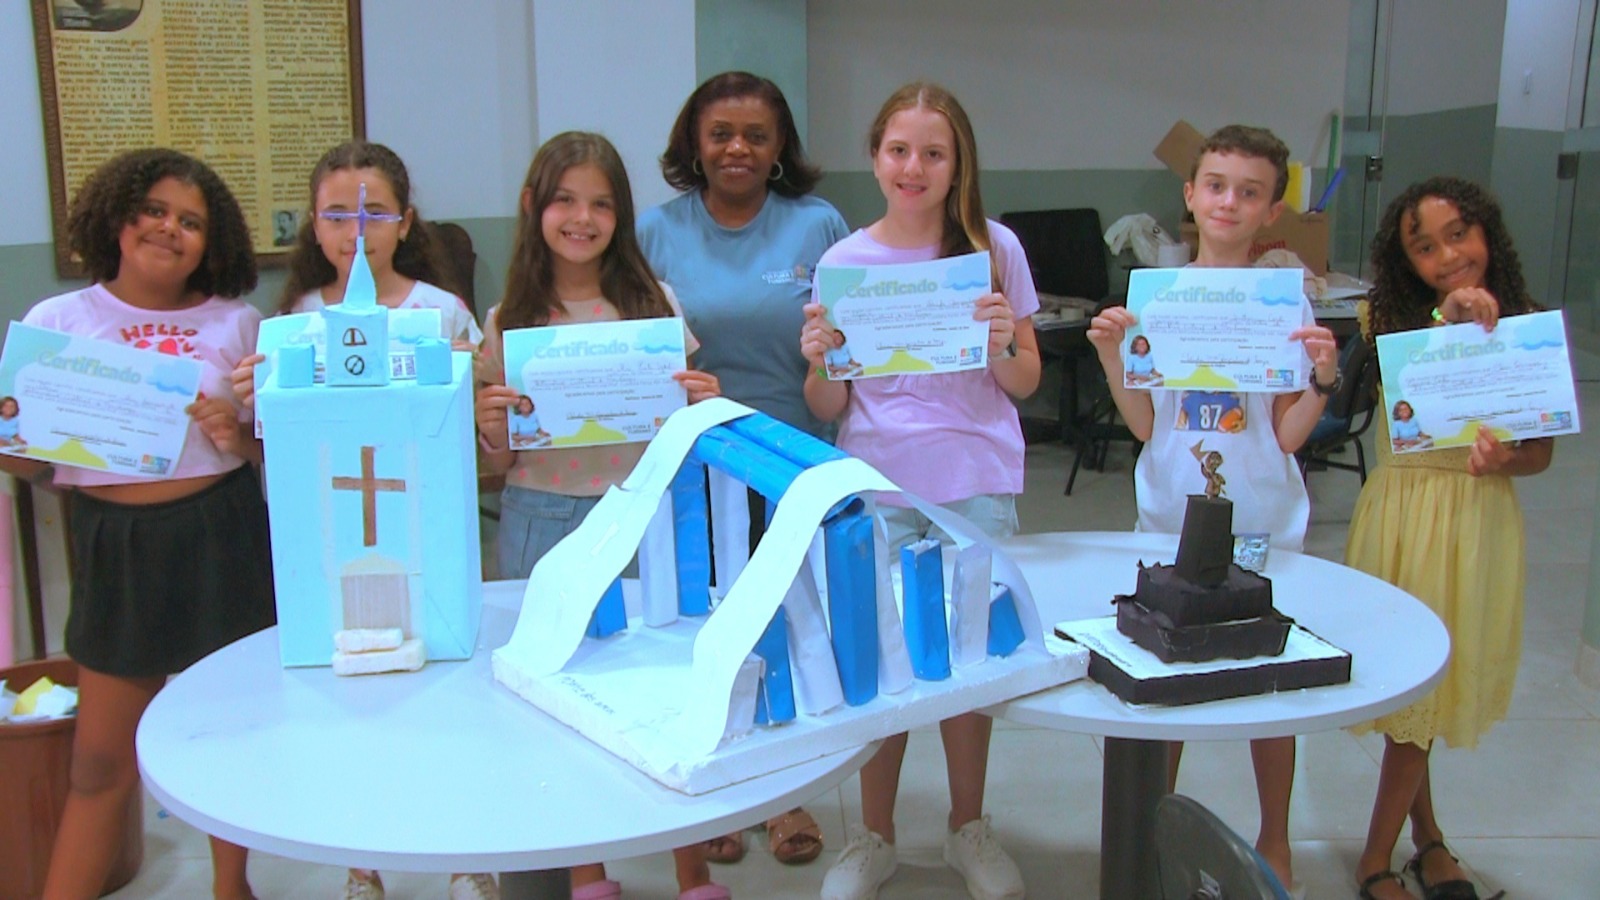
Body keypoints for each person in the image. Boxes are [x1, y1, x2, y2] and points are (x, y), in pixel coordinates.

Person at [0, 148, 275, 900]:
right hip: (114, 542)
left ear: (211, 242)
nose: (168, 229)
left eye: (191, 221)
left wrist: (237, 436)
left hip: (220, 533)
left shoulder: (238, 322)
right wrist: (14, 437)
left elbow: (269, 449)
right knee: (100, 761)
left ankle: (231, 887)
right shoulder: (58, 321)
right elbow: (30, 465)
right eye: (154, 210)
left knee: (228, 738)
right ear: (117, 218)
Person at [228, 139, 492, 900]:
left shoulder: (441, 313)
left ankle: (466, 852)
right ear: (314, 226)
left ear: (405, 222)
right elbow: (277, 436)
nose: (357, 230)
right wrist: (255, 397)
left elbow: (471, 418)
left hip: (423, 523)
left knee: (448, 690)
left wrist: (474, 382)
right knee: (351, 698)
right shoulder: (295, 321)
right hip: (336, 526)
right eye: (338, 214)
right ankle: (363, 858)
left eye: (375, 213)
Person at [801, 82, 1042, 900]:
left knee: (970, 663)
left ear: (957, 164)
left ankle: (968, 826)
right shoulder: (844, 263)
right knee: (880, 663)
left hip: (973, 483)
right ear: (875, 158)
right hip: (878, 486)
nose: (915, 167)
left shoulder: (994, 249)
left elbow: (1026, 381)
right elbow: (829, 406)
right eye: (899, 150)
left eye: (934, 153)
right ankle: (874, 837)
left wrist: (1003, 342)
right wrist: (819, 361)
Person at [1086, 125, 1338, 896]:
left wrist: (1322, 379)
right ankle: (1152, 832)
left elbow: (1287, 434)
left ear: (1272, 210)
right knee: (1164, 673)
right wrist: (1111, 355)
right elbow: (1145, 425)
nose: (1230, 202)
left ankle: (1276, 837)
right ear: (1191, 195)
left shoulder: (1283, 302)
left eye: (1250, 191)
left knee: (1271, 675)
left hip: (1262, 517)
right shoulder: (1159, 299)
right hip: (1170, 511)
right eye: (1217, 186)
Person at [473, 131, 726, 900]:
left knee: (667, 681)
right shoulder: (507, 320)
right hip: (542, 517)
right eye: (565, 200)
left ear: (621, 215)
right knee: (561, 690)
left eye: (601, 204)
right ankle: (588, 870)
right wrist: (489, 425)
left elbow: (683, 426)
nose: (582, 219)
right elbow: (496, 465)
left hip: (645, 516)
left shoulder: (654, 305)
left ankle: (691, 870)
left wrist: (705, 403)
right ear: (533, 206)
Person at [637, 69, 847, 867]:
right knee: (704, 625)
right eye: (720, 133)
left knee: (787, 623)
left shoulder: (817, 225)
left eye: (756, 136)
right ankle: (711, 785)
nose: (738, 149)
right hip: (694, 463)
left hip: (792, 457)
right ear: (694, 142)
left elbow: (845, 344)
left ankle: (783, 790)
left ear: (779, 145)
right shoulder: (656, 232)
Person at [1347, 177, 1552, 900]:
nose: (1448, 255)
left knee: (1434, 695)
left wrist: (1505, 460)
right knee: (1413, 697)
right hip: (1406, 514)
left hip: (1476, 521)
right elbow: (1400, 389)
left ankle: (1426, 836)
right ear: (1405, 262)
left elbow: (1540, 453)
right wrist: (1449, 319)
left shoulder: (1528, 328)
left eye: (1458, 234)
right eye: (1424, 247)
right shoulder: (1386, 319)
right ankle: (1376, 860)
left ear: (1486, 230)